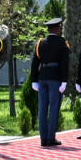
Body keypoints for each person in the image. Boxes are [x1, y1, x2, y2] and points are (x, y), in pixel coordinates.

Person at [29, 18, 71, 148]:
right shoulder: (62, 42)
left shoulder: (40, 42)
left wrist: (34, 80)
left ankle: (43, 139)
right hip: (55, 78)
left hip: (43, 77)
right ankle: (50, 138)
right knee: (53, 108)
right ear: (57, 29)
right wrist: (64, 81)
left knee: (42, 109)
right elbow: (65, 64)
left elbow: (35, 63)